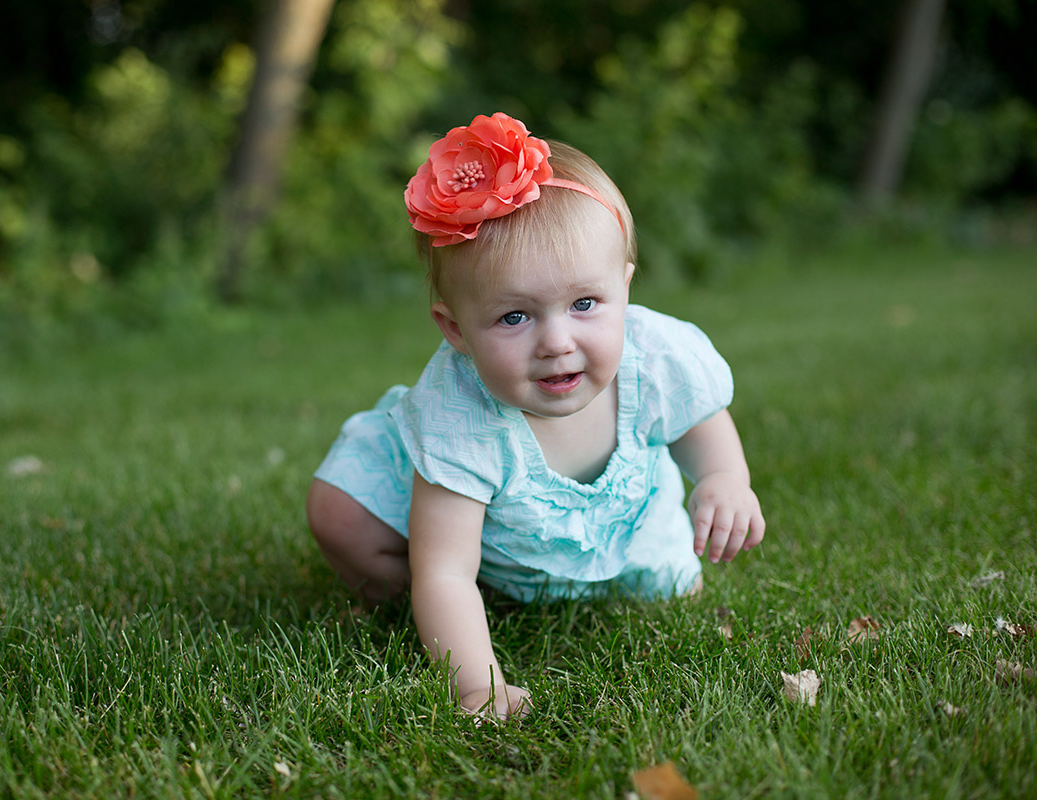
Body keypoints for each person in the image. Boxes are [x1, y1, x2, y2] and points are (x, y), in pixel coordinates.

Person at [307, 112, 765, 720]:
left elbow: (702, 424)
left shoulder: (655, 358)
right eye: (514, 317)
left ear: (625, 290)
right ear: (456, 330)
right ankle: (476, 597)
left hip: (631, 533)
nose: (557, 341)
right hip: (492, 547)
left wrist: (723, 480)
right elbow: (442, 567)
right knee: (340, 512)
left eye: (584, 303)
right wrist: (478, 687)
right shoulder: (458, 415)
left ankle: (552, 586)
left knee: (670, 589)